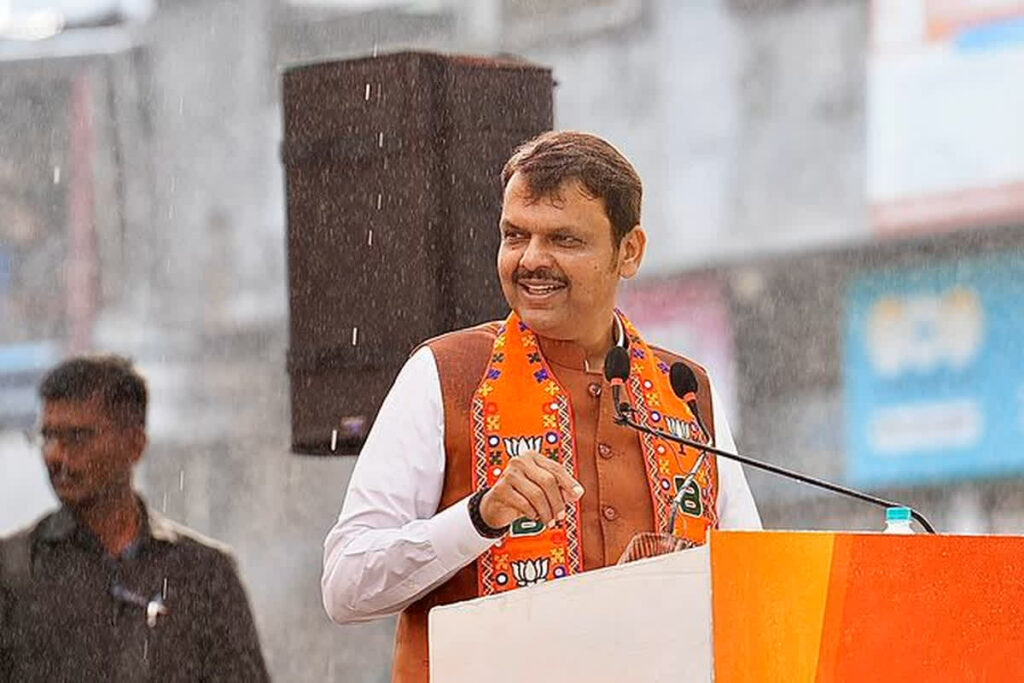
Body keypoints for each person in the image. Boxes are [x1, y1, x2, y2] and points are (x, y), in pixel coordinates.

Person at [321, 131, 761, 681]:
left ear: (629, 251)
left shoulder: (686, 391)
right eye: (515, 236)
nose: (531, 260)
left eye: (563, 240)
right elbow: (345, 586)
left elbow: (753, 588)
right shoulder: (446, 374)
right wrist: (479, 517)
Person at [0, 355, 269, 682]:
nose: (55, 455)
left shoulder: (203, 573)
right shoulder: (12, 570)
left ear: (135, 445)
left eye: (77, 436)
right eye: (48, 437)